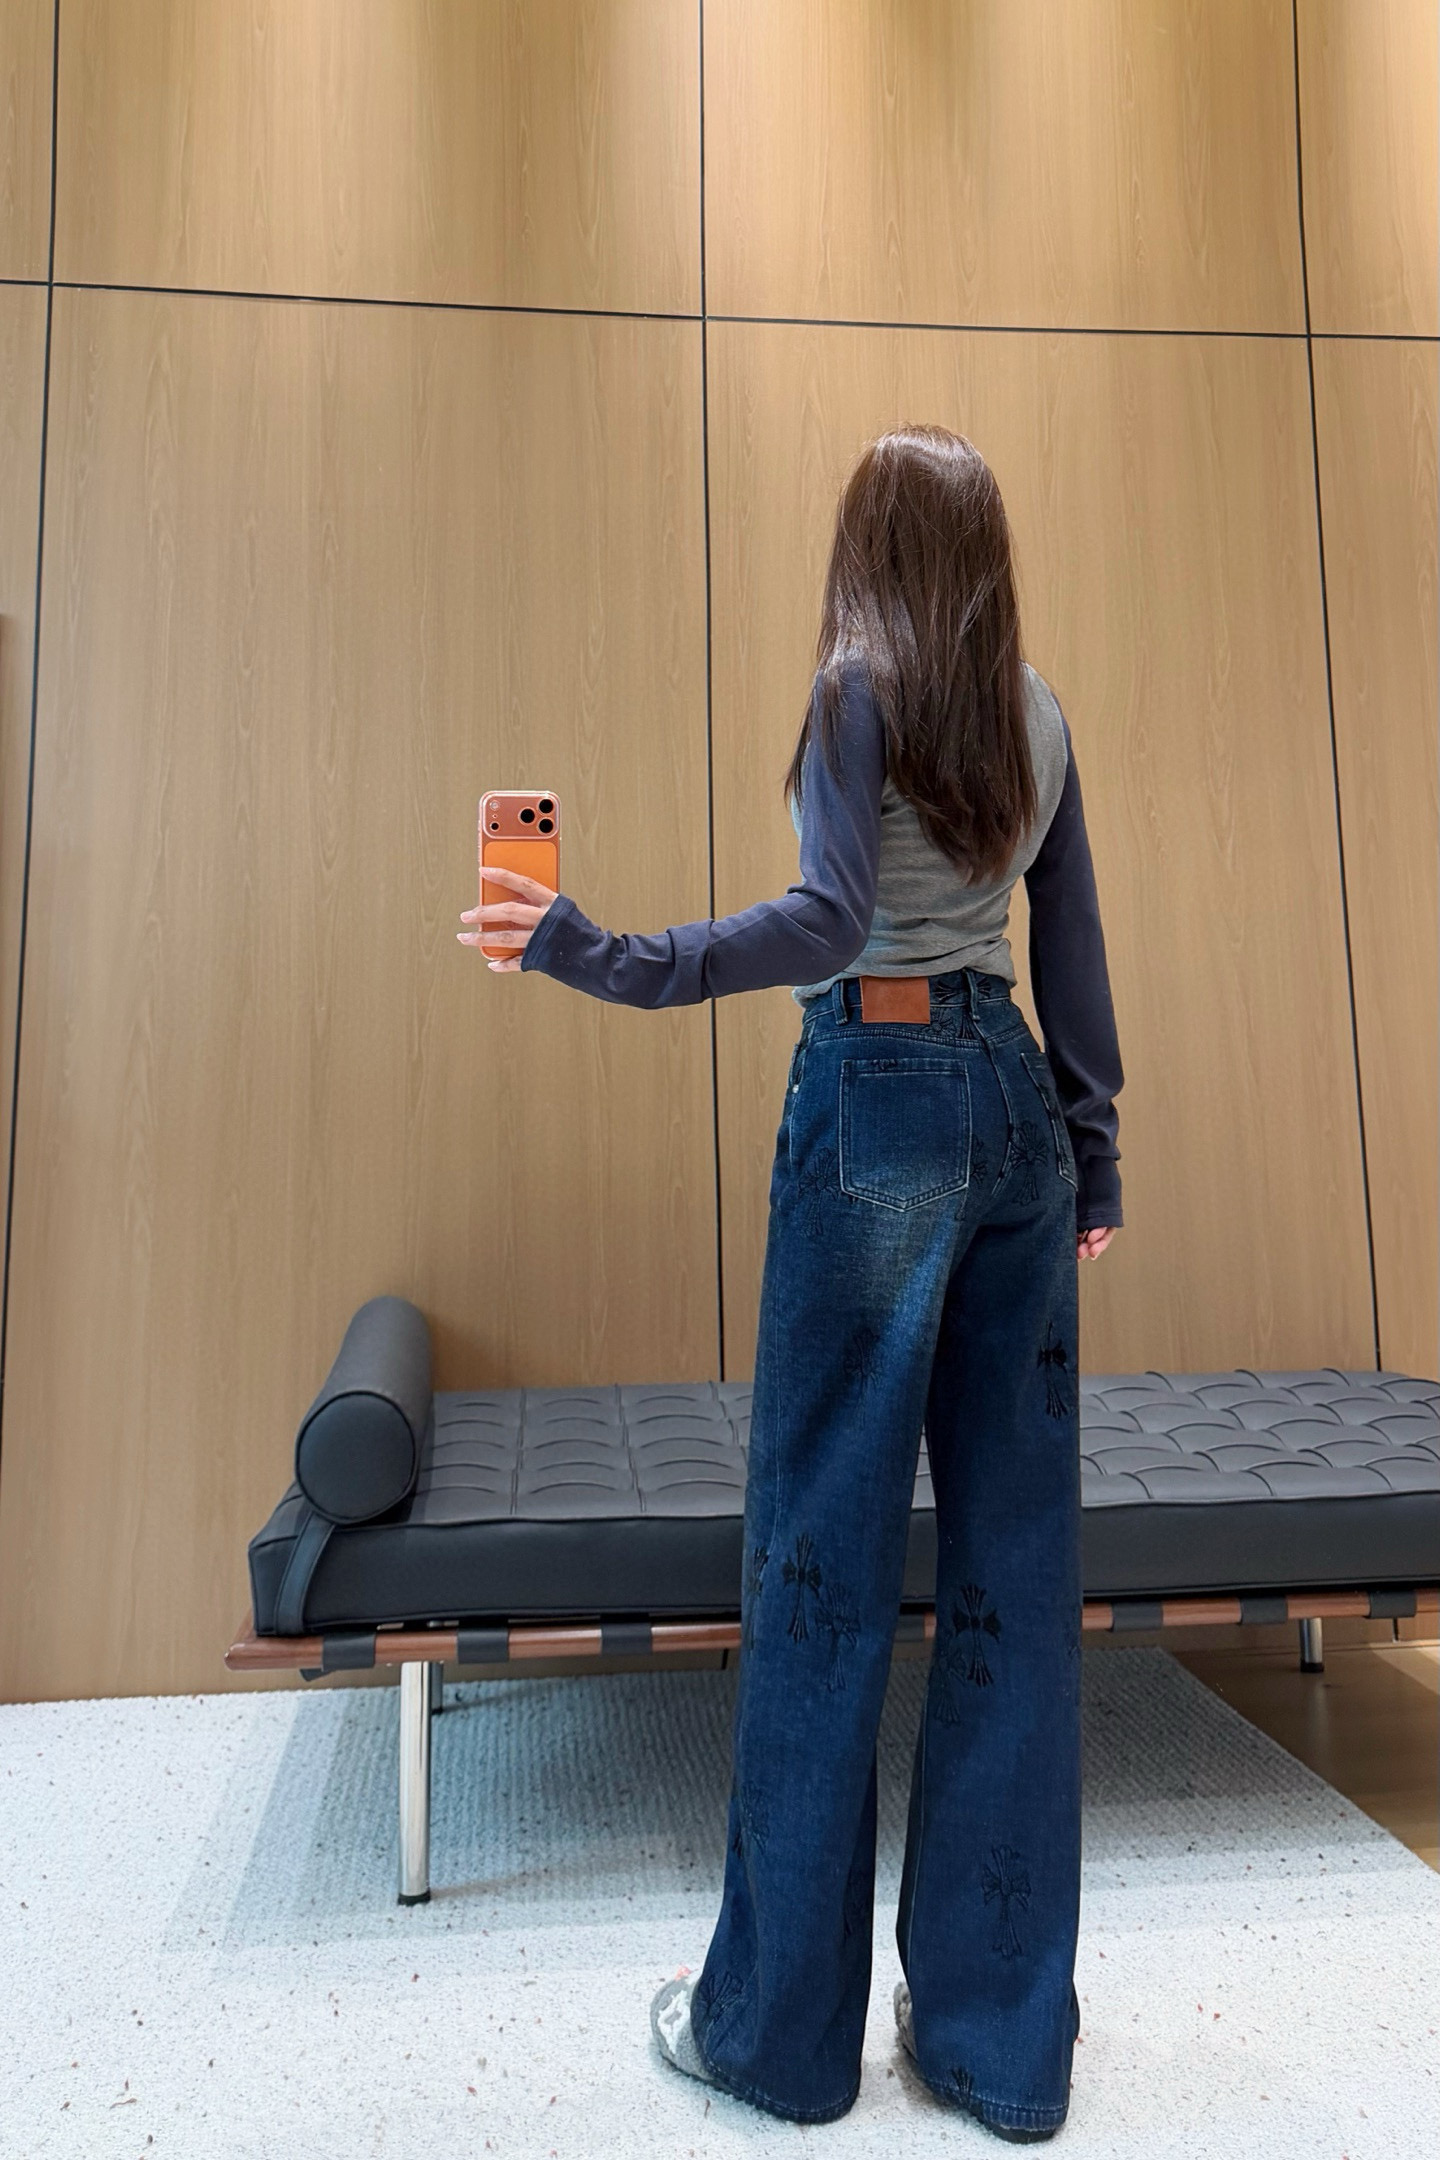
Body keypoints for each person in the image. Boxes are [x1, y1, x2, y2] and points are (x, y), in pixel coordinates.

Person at [458, 424, 1123, 2142]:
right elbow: (1068, 948)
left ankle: (778, 2036)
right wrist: (1096, 1156)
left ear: (869, 549)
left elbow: (830, 922)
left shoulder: (853, 691)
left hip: (878, 1099)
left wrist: (599, 952)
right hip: (1015, 1115)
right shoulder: (1038, 714)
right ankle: (998, 2047)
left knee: (821, 1555)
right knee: (1016, 1567)